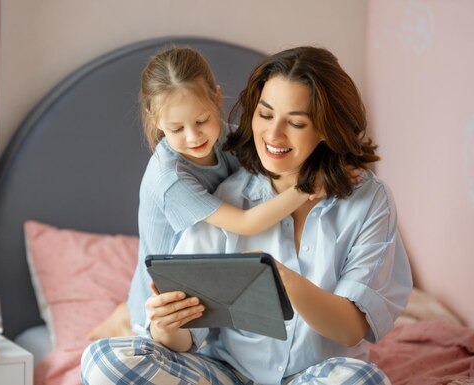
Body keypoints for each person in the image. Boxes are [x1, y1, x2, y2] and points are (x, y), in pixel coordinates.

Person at [82, 46, 412, 385]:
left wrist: (281, 279)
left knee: (363, 379)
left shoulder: (369, 201)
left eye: (296, 123)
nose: (273, 135)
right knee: (103, 361)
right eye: (265, 115)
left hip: (316, 375)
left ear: (328, 127)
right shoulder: (225, 194)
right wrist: (168, 326)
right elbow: (187, 337)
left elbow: (350, 329)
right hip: (227, 375)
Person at [127, 46, 329, 335]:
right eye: (176, 128)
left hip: (214, 274)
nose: (193, 136)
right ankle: (125, 319)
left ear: (217, 98)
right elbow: (246, 224)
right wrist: (306, 187)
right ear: (155, 119)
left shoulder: (225, 136)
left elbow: (279, 156)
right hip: (167, 304)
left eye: (202, 120)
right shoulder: (169, 179)